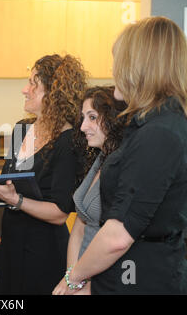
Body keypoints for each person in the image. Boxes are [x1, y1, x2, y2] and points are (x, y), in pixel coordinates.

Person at [56, 16, 187, 295]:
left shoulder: (159, 133)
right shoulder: (150, 125)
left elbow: (117, 237)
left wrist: (73, 280)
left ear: (139, 67)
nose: (112, 69)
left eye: (117, 61)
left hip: (144, 279)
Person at [0, 54, 88, 294]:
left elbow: (60, 213)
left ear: (53, 94)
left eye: (33, 84)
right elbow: (6, 187)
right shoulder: (22, 127)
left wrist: (16, 200)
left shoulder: (69, 141)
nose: (24, 90)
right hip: (11, 248)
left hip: (45, 254)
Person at [52, 86, 127, 295]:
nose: (84, 126)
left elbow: (121, 243)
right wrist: (72, 278)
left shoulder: (124, 166)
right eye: (83, 118)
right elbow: (79, 227)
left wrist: (88, 287)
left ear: (114, 119)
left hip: (108, 279)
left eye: (92, 117)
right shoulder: (99, 159)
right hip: (81, 276)